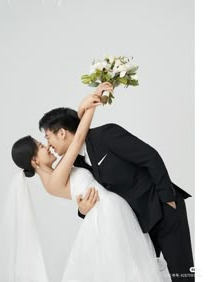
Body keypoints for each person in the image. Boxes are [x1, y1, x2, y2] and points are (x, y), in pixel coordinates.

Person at [10, 83, 171, 282]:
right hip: (108, 215)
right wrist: (91, 102)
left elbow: (72, 139)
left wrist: (81, 110)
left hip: (114, 210)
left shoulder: (59, 169)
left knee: (130, 264)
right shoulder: (54, 179)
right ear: (35, 161)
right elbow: (76, 139)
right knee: (125, 268)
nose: (48, 146)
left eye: (45, 141)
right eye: (42, 145)